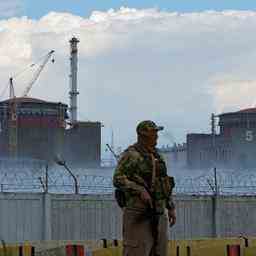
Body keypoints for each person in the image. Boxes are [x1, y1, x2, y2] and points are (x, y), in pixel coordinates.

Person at [113, 120, 176, 256]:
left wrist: (170, 207)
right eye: (153, 133)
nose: (157, 136)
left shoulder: (157, 156)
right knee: (137, 250)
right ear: (144, 135)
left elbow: (164, 182)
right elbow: (118, 178)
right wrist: (139, 190)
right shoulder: (132, 155)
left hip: (159, 212)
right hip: (139, 212)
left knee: (160, 251)